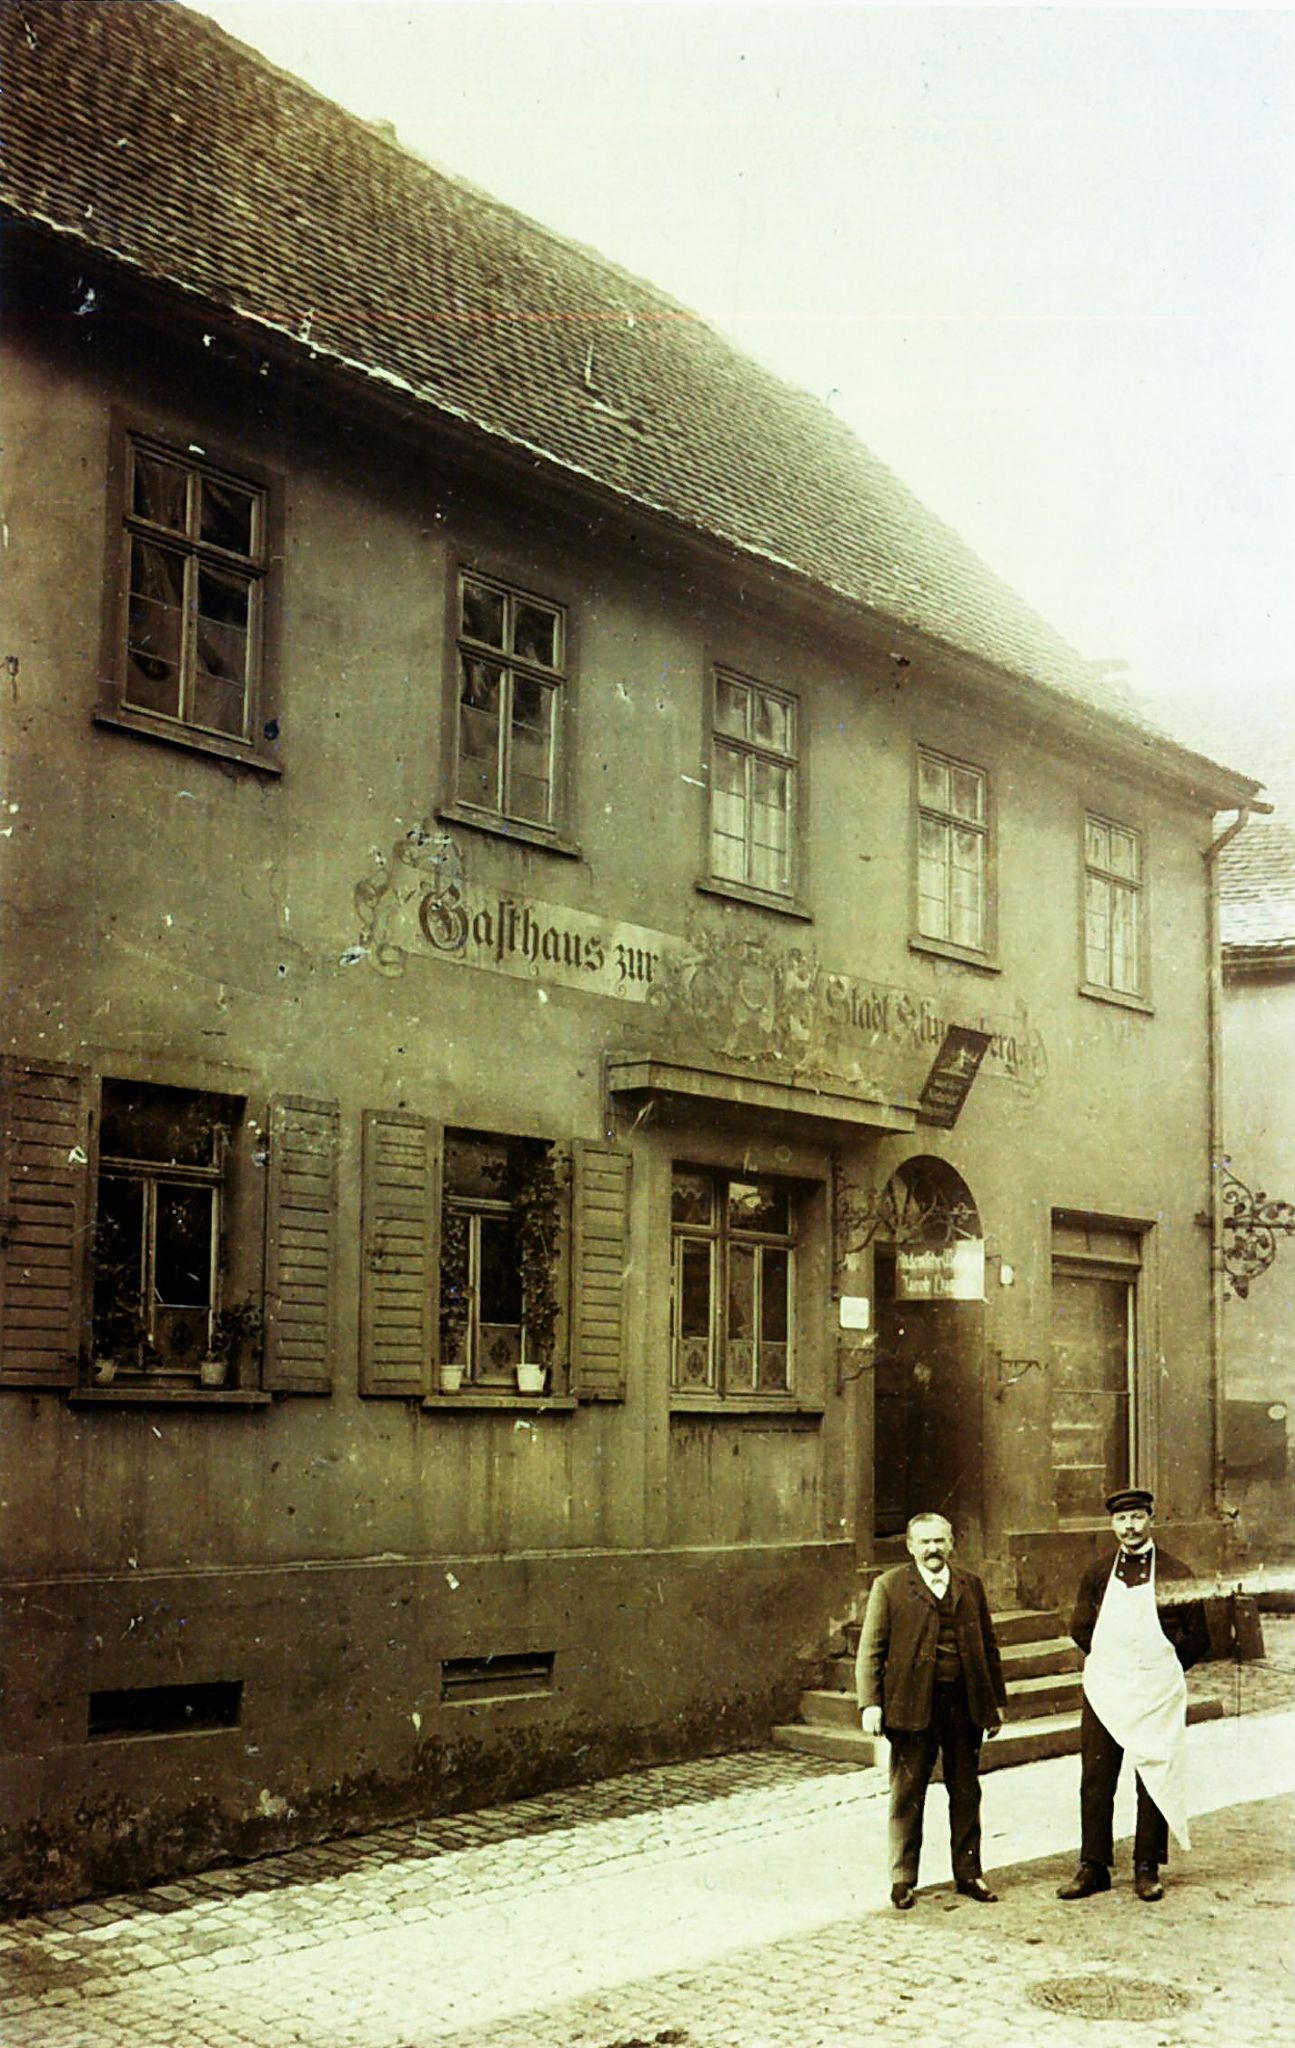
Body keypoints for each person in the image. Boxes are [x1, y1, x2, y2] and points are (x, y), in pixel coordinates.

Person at [1057, 1487, 1211, 1904]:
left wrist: (1160, 1667)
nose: (1129, 1527)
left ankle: (1147, 1866)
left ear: (1151, 1520)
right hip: (1107, 1687)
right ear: (1113, 1526)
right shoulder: (1096, 1573)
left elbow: (1199, 1636)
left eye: (1137, 1518)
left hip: (1157, 1690)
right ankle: (1093, 1866)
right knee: (1096, 1777)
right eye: (1121, 1520)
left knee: (1154, 1776)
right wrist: (1115, 1664)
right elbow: (1080, 1628)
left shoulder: (1177, 1573)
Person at [856, 1511, 1007, 1909]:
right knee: (907, 1793)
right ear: (910, 1546)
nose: (933, 1549)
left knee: (966, 1791)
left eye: (939, 1541)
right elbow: (871, 1649)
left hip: (964, 1704)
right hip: (911, 1706)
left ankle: (969, 1872)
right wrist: (870, 1702)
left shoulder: (969, 1585)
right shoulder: (889, 1586)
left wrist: (995, 1704)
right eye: (924, 1542)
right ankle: (903, 1877)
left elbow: (988, 1647)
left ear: (951, 1542)